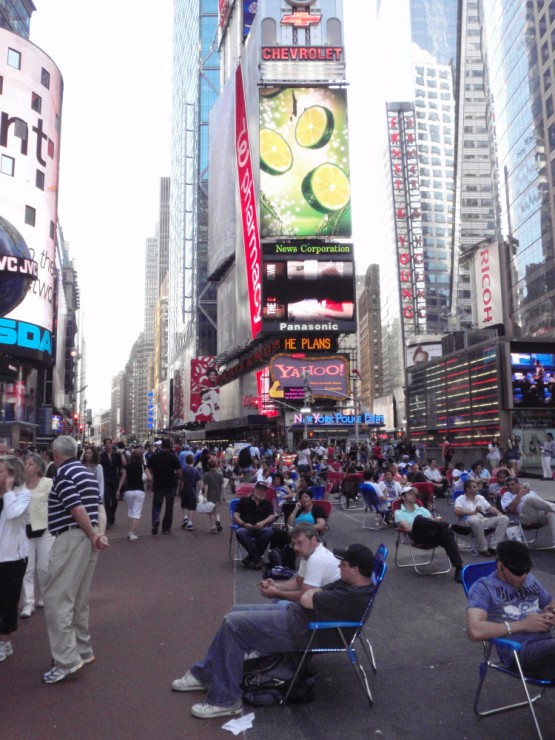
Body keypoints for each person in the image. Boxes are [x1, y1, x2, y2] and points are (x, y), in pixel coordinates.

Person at [170, 543, 375, 719]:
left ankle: (225, 700)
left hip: (305, 631)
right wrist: (316, 592)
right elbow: (311, 595)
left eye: (344, 564)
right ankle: (206, 674)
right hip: (300, 618)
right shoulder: (351, 584)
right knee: (234, 614)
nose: (339, 565)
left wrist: (316, 592)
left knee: (234, 624)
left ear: (355, 569)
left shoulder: (351, 595)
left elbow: (306, 597)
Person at [42, 436, 108, 684]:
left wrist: (91, 534)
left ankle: (66, 660)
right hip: (88, 538)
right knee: (79, 598)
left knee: (57, 598)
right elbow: (98, 508)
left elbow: (74, 507)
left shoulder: (63, 475)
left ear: (55, 454)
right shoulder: (87, 474)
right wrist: (97, 535)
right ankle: (82, 648)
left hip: (71, 537)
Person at [466, 540, 555, 679]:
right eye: (518, 572)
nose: (523, 576)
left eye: (527, 570)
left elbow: (550, 602)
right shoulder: (483, 588)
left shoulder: (530, 579)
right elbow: (474, 630)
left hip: (548, 648)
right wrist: (524, 625)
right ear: (500, 566)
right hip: (520, 653)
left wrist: (551, 611)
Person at [394, 487, 468, 582]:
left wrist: (437, 525)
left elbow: (433, 523)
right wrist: (421, 523)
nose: (413, 495)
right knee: (419, 519)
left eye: (414, 493)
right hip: (417, 537)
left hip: (431, 535)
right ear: (403, 497)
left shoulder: (422, 509)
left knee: (447, 532)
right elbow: (408, 528)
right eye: (410, 493)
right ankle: (453, 526)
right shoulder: (398, 512)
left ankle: (459, 568)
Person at [259, 523, 339, 603]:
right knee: (278, 600)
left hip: (331, 606)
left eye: (300, 543)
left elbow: (304, 595)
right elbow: (298, 582)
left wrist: (276, 593)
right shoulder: (308, 554)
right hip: (323, 599)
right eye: (293, 544)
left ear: (313, 540)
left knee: (281, 603)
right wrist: (276, 586)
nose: (296, 548)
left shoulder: (317, 559)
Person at [0, 456, 31, 662]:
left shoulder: (23, 494)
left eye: (1, 471)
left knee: (7, 602)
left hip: (12, 557)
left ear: (12, 475)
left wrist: (8, 492)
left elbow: (12, 514)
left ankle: (5, 643)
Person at [19, 453, 55, 618]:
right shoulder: (19, 485)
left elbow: (55, 504)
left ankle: (45, 596)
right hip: (24, 530)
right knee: (27, 568)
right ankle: (28, 603)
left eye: (31, 464)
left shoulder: (48, 483)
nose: (27, 466)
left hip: (44, 529)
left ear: (39, 468)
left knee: (44, 567)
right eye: (25, 464)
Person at [454, 479, 509, 556]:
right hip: (468, 522)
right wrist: (472, 512)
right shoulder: (460, 499)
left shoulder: (480, 497)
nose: (477, 488)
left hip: (483, 520)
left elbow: (490, 508)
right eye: (474, 487)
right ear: (468, 489)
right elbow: (457, 511)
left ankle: (493, 547)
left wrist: (498, 513)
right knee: (475, 521)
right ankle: (483, 549)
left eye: (476, 487)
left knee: (504, 518)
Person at [233, 481, 276, 569]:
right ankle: (258, 559)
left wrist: (262, 523)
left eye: (263, 491)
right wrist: (243, 524)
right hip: (246, 528)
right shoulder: (244, 500)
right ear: (254, 490)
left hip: (261, 528)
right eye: (259, 489)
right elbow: (235, 515)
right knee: (240, 532)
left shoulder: (267, 503)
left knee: (269, 531)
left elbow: (272, 516)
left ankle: (250, 558)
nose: (261, 492)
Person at [500, 477, 555, 545]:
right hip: (525, 518)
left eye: (512, 484)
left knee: (551, 513)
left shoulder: (530, 492)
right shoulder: (507, 495)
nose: (510, 487)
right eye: (508, 485)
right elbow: (510, 509)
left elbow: (543, 504)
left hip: (538, 515)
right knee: (529, 500)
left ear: (518, 484)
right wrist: (519, 495)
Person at [147, 438, 182, 535]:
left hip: (158, 484)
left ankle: (156, 519)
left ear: (161, 446)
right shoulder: (173, 457)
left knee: (156, 505)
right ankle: (166, 528)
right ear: (170, 446)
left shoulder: (154, 456)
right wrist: (180, 480)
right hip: (171, 484)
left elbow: (149, 471)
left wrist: (149, 482)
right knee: (169, 507)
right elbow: (179, 472)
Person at [119, 449, 146, 540]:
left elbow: (122, 479)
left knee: (130, 511)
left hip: (128, 490)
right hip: (139, 490)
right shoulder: (142, 466)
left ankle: (130, 531)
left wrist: (118, 490)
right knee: (137, 512)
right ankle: (131, 532)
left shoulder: (127, 466)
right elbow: (149, 477)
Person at [99, 438, 125, 527]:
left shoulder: (116, 455)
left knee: (115, 501)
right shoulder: (101, 456)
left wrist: (122, 476)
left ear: (112, 444)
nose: (108, 445)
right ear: (104, 445)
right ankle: (108, 519)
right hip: (105, 480)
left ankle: (112, 514)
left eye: (109, 443)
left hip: (114, 480)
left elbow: (121, 466)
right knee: (106, 500)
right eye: (106, 443)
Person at [180, 453, 202, 531]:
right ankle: (190, 522)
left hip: (184, 489)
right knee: (191, 507)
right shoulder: (196, 470)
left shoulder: (183, 470)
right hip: (192, 490)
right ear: (193, 461)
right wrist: (200, 490)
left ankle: (185, 517)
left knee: (184, 504)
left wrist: (179, 489)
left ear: (186, 461)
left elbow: (181, 481)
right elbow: (199, 482)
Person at [202, 457, 224, 533]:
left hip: (210, 495)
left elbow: (206, 486)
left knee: (211, 511)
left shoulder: (206, 475)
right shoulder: (220, 474)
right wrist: (223, 495)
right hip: (218, 495)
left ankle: (213, 527)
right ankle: (218, 520)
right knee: (217, 510)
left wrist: (204, 496)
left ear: (208, 466)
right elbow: (222, 486)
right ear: (216, 465)